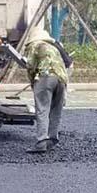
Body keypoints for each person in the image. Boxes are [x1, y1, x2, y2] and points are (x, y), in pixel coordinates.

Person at [24, 26, 68, 154]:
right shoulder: (53, 47)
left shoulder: (35, 45)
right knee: (56, 109)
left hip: (45, 77)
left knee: (42, 109)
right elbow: (64, 65)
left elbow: (30, 65)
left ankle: (41, 142)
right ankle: (52, 139)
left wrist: (32, 82)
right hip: (61, 79)